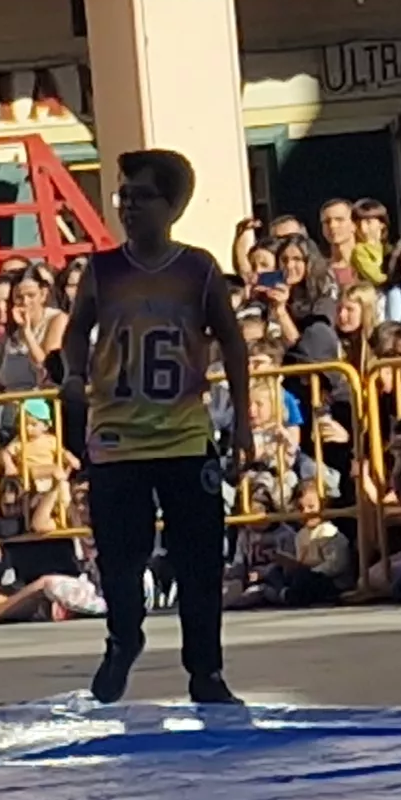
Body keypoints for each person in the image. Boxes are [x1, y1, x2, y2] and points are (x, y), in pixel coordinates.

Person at [62, 148, 252, 705]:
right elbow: (76, 331)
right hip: (117, 437)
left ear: (173, 205)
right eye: (124, 196)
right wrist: (73, 372)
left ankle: (206, 672)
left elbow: (234, 343)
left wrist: (241, 424)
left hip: (185, 435)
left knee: (199, 562)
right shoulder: (103, 270)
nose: (128, 206)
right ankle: (123, 637)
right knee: (121, 559)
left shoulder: (198, 268)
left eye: (141, 196)